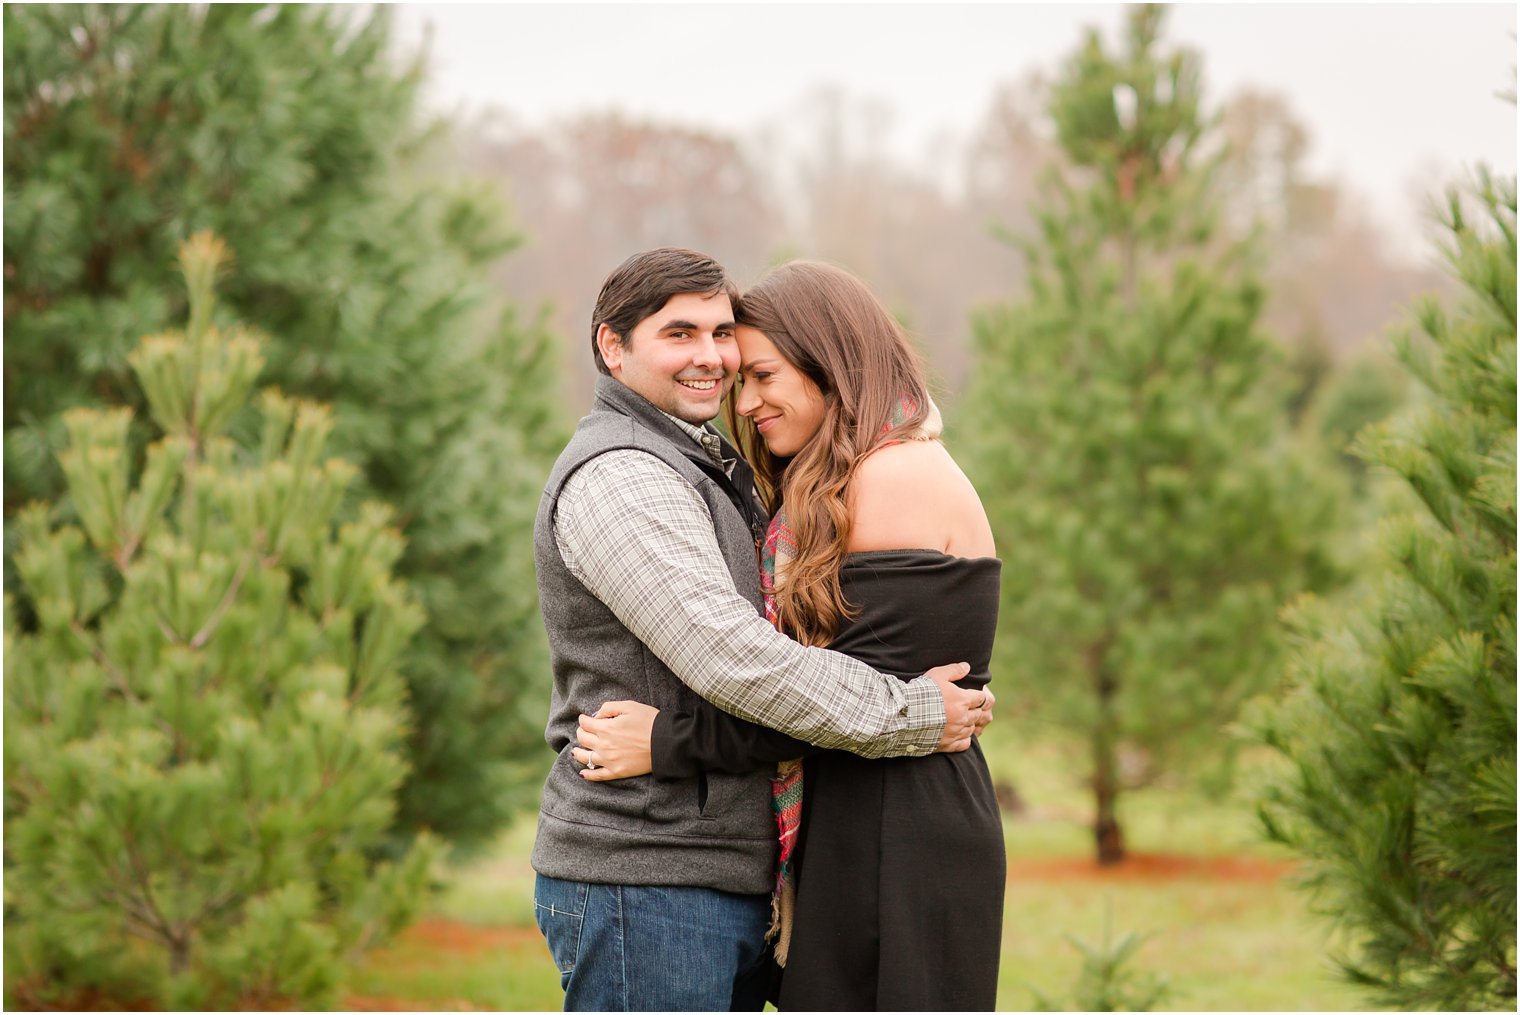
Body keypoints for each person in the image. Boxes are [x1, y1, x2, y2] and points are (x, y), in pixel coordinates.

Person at [531, 248, 995, 1012]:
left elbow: (819, 662)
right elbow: (738, 662)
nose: (714, 362)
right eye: (679, 334)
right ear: (612, 346)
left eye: (728, 341)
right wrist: (916, 708)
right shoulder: (625, 475)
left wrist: (669, 739)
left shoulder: (733, 468)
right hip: (648, 876)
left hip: (745, 870)